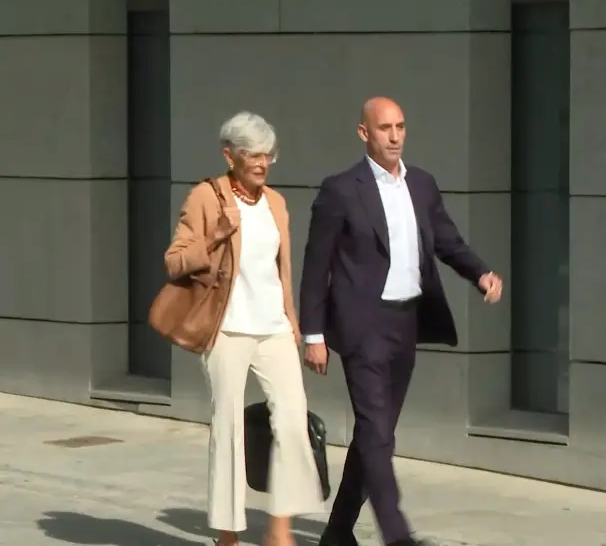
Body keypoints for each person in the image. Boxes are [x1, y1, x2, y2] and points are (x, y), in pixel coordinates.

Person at [299, 97, 503, 546]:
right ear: (364, 133)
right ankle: (397, 536)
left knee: (376, 434)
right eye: (385, 128)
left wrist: (480, 273)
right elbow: (316, 267)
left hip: (405, 324)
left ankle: (337, 533)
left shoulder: (422, 185)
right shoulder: (341, 190)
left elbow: (447, 241)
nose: (394, 137)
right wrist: (312, 334)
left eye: (400, 127)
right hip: (362, 327)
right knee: (377, 434)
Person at [164, 112, 325, 546]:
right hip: (227, 329)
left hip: (273, 326)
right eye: (253, 154)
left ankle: (280, 530)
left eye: (267, 155)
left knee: (292, 423)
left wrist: (293, 320)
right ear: (229, 155)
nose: (262, 163)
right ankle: (228, 534)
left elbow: (280, 269)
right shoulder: (206, 197)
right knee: (229, 427)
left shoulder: (276, 203)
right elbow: (174, 260)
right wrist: (216, 234)